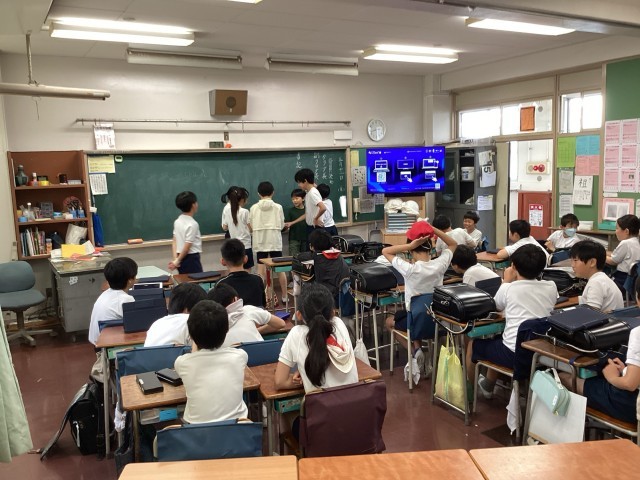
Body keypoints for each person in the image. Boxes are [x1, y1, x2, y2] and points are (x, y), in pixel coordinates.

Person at [468, 244, 557, 398]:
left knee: (473, 344)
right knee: (498, 339)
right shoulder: (551, 286)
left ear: (513, 266)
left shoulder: (508, 288)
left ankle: (469, 393)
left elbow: (495, 307)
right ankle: (488, 385)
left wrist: (506, 280)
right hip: (540, 353)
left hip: (513, 355)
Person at [559, 280, 640, 424]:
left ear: (638, 298)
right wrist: (627, 370)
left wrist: (612, 377)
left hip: (631, 405)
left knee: (564, 378)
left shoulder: (638, 333)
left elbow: (630, 384)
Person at [383, 222, 457, 372]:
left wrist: (409, 245)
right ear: (430, 248)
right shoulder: (440, 264)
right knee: (419, 311)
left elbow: (386, 251)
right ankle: (419, 349)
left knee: (390, 321)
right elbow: (453, 244)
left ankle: (415, 351)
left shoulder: (410, 269)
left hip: (415, 323)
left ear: (411, 251)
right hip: (438, 322)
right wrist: (432, 229)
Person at [174, 300, 249, 424]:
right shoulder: (239, 356)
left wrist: (195, 339)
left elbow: (194, 355)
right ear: (226, 331)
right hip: (237, 430)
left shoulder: (181, 363)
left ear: (190, 335)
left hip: (197, 432)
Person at [275, 283, 357, 393]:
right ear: (333, 312)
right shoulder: (339, 324)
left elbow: (280, 381)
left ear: (298, 315)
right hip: (356, 400)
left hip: (322, 404)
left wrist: (305, 376)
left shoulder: (296, 334)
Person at [207, 283, 285, 347]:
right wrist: (257, 331)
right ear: (235, 299)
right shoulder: (248, 310)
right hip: (262, 356)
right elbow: (281, 324)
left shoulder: (211, 325)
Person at [249, 181, 287, 305]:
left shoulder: (253, 208)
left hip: (260, 241)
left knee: (260, 271)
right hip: (274, 240)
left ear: (258, 193)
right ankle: (285, 296)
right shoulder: (278, 207)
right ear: (273, 192)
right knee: (280, 269)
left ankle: (261, 298)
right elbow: (281, 225)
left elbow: (251, 225)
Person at [88, 257, 137, 345]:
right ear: (130, 280)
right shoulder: (125, 299)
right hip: (107, 345)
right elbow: (135, 325)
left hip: (97, 341)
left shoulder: (105, 293)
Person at [570, 240, 623, 312]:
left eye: (575, 260)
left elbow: (592, 314)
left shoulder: (596, 283)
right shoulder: (601, 279)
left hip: (605, 319)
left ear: (592, 262)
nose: (572, 265)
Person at [217, 239, 266, 308]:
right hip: (256, 315)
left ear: (223, 261)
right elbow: (263, 305)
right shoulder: (257, 280)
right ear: (245, 259)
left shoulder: (221, 284)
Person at [308, 229, 350, 307]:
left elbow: (300, 257)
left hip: (330, 299)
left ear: (313, 245)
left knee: (307, 288)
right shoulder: (337, 254)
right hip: (344, 296)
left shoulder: (317, 256)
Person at [168, 191, 203, 274]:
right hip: (191, 258)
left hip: (180, 256)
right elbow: (187, 247)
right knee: (197, 280)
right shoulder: (193, 224)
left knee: (183, 280)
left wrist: (176, 259)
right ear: (193, 205)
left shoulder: (177, 221)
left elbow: (174, 241)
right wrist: (177, 261)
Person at [606, 214, 640, 296]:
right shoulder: (636, 241)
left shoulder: (625, 243)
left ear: (626, 231)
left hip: (622, 281)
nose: (616, 231)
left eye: (617, 228)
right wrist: (605, 252)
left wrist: (600, 254)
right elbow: (616, 254)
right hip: (633, 282)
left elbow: (613, 261)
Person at [285, 168, 326, 236]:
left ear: (305, 181)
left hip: (315, 228)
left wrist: (316, 219)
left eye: (299, 182)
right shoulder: (309, 193)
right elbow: (307, 214)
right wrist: (292, 223)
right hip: (311, 227)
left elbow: (323, 208)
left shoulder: (312, 193)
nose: (298, 185)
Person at [221, 186, 253, 270]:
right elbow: (251, 229)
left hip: (234, 245)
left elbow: (224, 227)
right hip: (245, 245)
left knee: (234, 268)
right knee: (247, 270)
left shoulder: (228, 211)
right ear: (242, 200)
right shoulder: (245, 212)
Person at [285, 188, 308, 256]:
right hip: (294, 239)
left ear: (303, 198)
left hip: (306, 238)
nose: (294, 201)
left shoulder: (308, 210)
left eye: (296, 198)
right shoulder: (290, 211)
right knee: (294, 257)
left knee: (305, 258)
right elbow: (287, 224)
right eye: (293, 199)